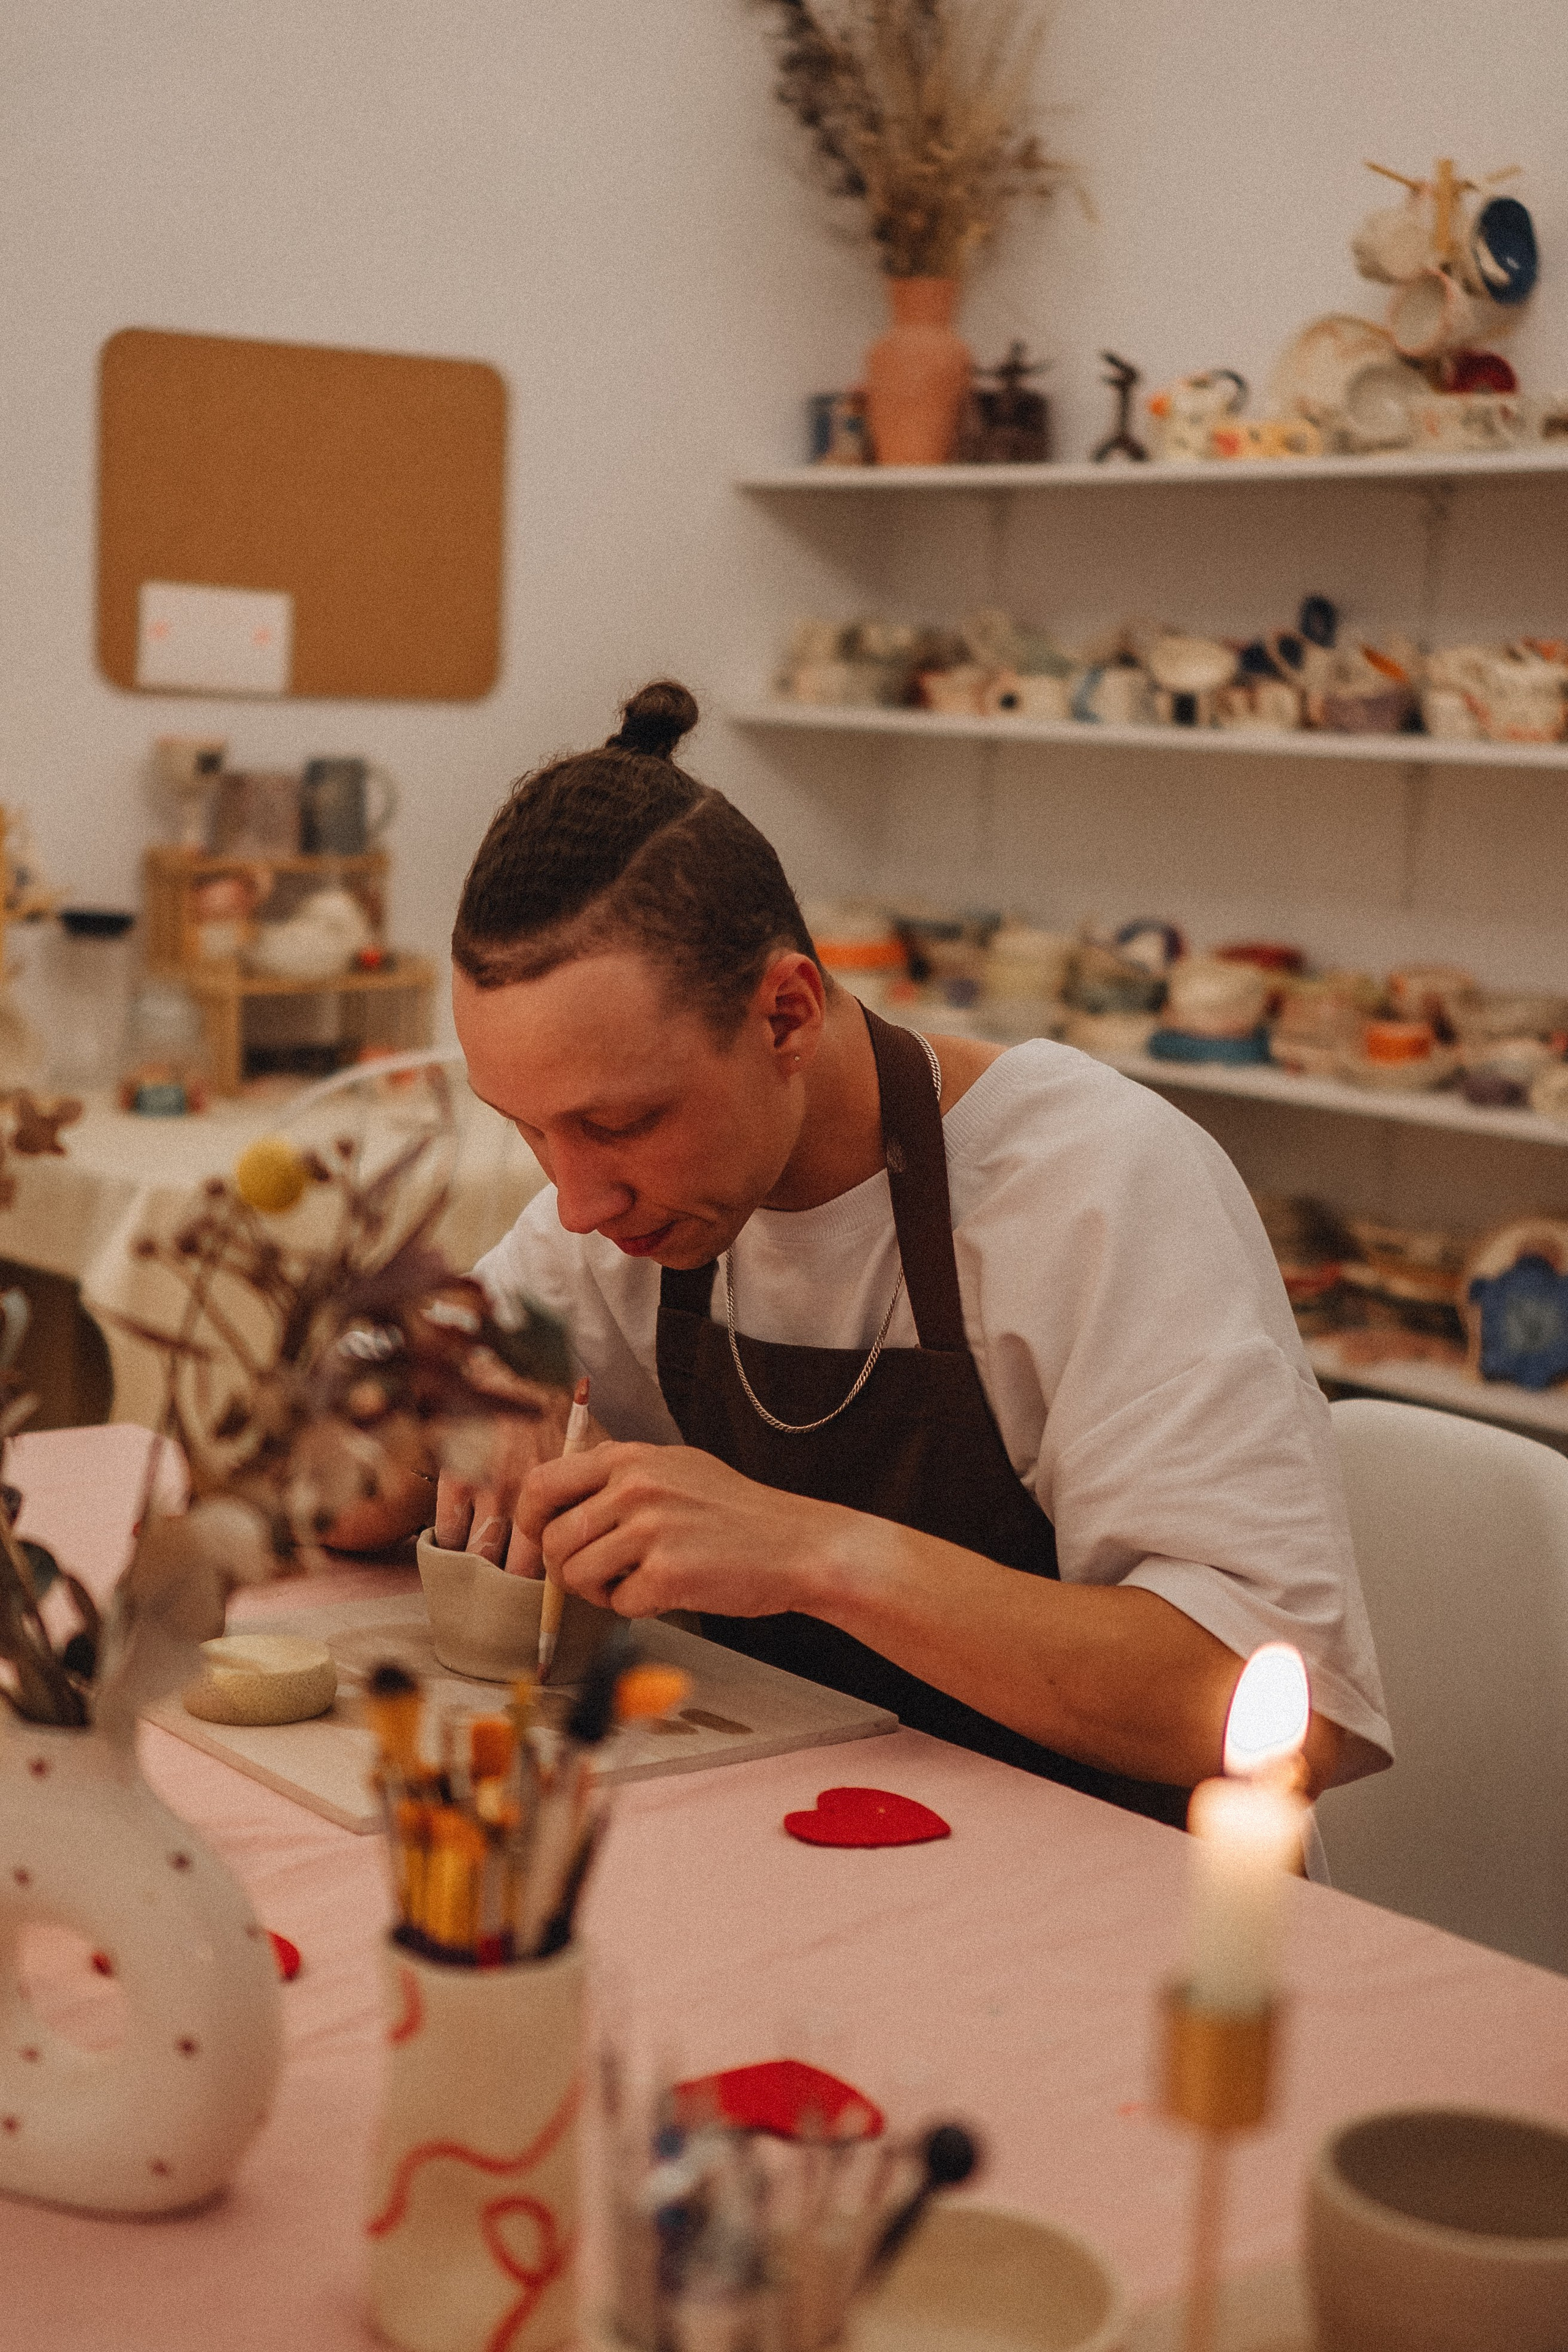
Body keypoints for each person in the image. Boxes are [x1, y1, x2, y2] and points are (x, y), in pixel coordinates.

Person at [435, 679, 1390, 1823]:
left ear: (786, 1014)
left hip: (1123, 1903)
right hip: (824, 1846)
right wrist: (442, 1379)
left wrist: (815, 1555)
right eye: (529, 1131)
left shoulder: (1092, 1185)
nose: (577, 1201)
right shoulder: (648, 1209)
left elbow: (1286, 1711)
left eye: (621, 1124)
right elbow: (355, 1443)